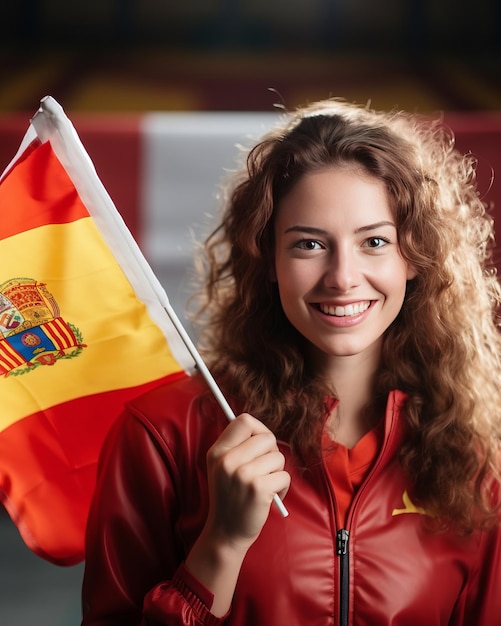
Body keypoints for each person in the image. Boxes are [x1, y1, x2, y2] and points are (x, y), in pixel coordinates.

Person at [81, 98, 501, 626]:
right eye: (308, 244)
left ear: (414, 257)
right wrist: (222, 545)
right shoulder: (165, 433)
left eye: (374, 241)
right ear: (269, 260)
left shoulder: (473, 452)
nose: (343, 277)